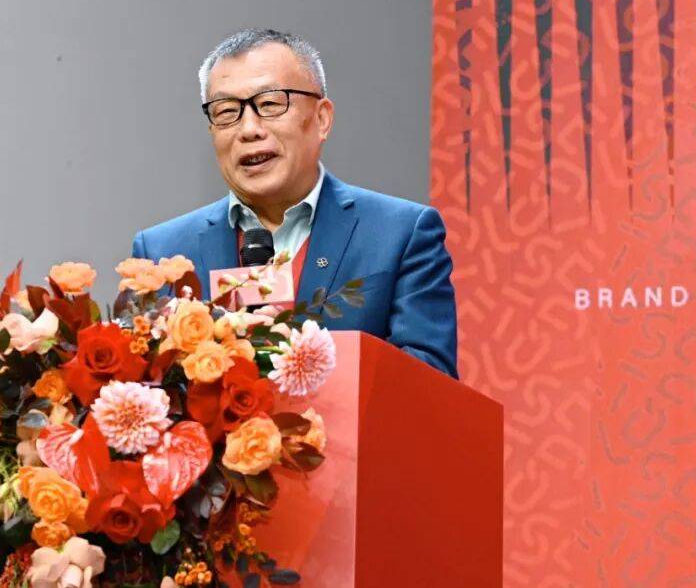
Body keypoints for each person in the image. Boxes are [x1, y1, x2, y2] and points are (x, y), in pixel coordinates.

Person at [131, 28, 458, 378]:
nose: (249, 129)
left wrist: (303, 357)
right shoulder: (163, 252)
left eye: (270, 104)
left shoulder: (401, 234)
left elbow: (430, 381)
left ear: (322, 119)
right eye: (226, 111)